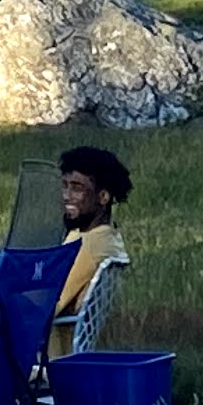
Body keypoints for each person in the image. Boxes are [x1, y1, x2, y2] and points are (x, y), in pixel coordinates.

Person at [51, 143, 132, 355]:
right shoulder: (105, 236)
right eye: (64, 186)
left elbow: (49, 303)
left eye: (77, 188)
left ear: (103, 197)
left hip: (51, 358)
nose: (67, 196)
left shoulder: (89, 245)